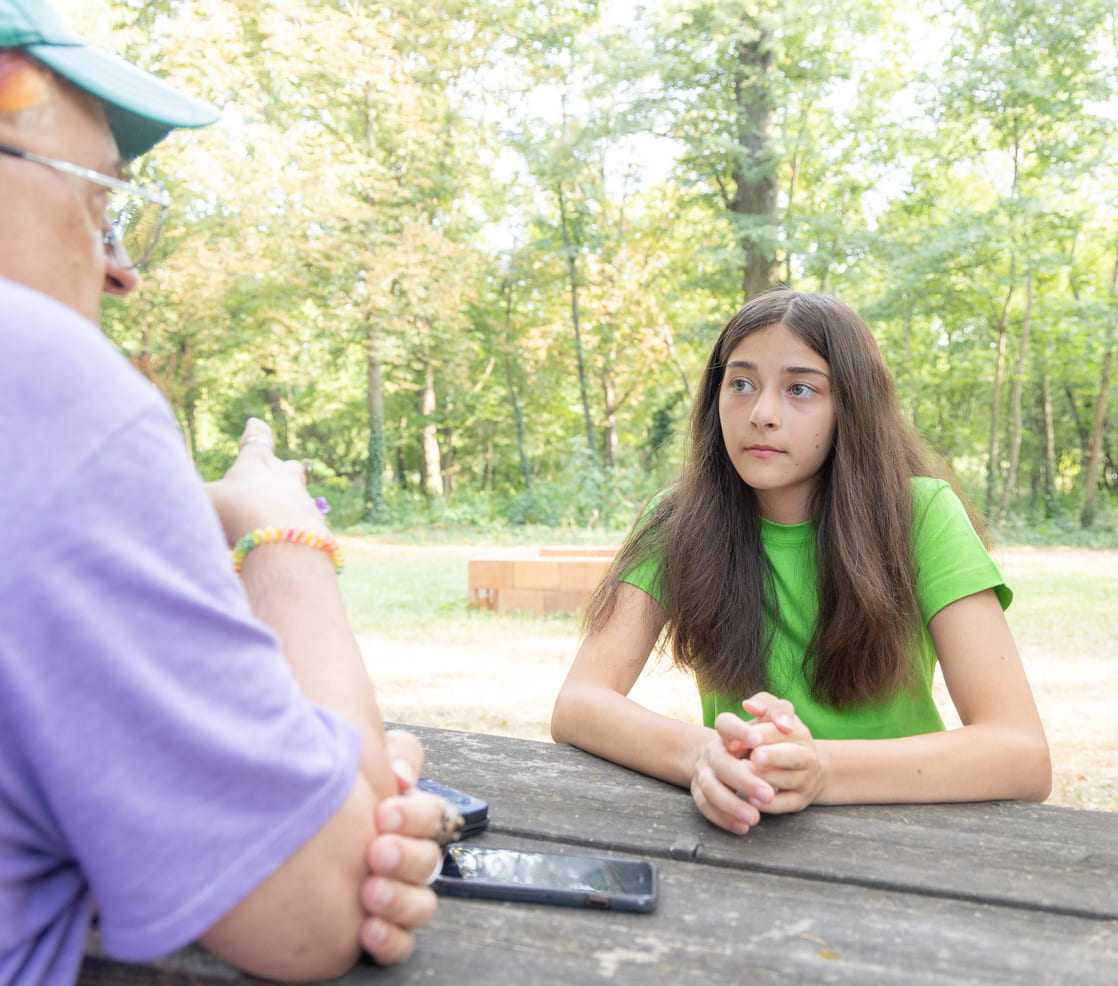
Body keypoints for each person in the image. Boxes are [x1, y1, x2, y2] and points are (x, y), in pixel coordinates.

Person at [0, 1, 445, 982]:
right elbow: (327, 903)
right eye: (98, 201)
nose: (121, 272)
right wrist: (281, 535)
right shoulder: (41, 376)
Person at [551, 290, 1052, 836]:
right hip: (741, 829)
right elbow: (579, 703)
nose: (762, 414)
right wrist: (704, 757)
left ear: (852, 408)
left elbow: (1022, 755)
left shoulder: (922, 515)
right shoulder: (678, 519)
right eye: (740, 384)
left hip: (905, 834)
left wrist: (821, 772)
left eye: (800, 389)